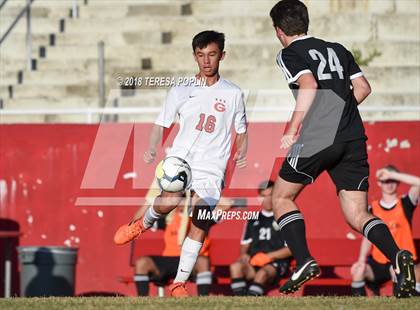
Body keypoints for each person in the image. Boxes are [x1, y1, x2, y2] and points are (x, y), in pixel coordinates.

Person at [268, 0, 416, 297]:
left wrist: (293, 128)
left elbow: (308, 87)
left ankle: (304, 261)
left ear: (279, 30)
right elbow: (363, 88)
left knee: (281, 197)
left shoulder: (288, 53)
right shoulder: (337, 48)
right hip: (353, 134)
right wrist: (341, 113)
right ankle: (398, 255)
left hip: (319, 131)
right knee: (357, 214)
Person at [114, 30, 248, 297]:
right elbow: (161, 122)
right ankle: (143, 223)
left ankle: (179, 283)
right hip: (181, 159)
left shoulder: (233, 93)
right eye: (201, 55)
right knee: (171, 200)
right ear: (194, 56)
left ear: (222, 55)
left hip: (212, 166)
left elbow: (241, 129)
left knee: (201, 218)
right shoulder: (181, 89)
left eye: (212, 55)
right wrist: (153, 146)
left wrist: (242, 151)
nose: (206, 61)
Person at [351, 165, 419, 296]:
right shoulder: (372, 209)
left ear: (397, 181)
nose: (389, 184)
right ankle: (359, 304)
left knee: (396, 271)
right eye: (385, 181)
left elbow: (418, 183)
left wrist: (392, 175)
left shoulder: (405, 203)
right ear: (379, 183)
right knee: (357, 270)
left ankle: (400, 300)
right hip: (379, 262)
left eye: (392, 181)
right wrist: (361, 259)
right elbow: (367, 238)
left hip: (401, 260)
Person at [133, 202, 212, 296]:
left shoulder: (201, 217)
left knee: (203, 261)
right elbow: (137, 222)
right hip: (169, 260)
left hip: (191, 261)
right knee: (142, 263)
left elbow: (225, 205)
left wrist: (208, 195)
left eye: (186, 199)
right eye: (182, 199)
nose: (184, 202)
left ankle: (203, 300)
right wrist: (150, 199)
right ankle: (142, 301)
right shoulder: (169, 219)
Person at [230, 181, 292, 296]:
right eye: (264, 196)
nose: (267, 199)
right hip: (254, 263)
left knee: (262, 274)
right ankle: (239, 302)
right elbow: (245, 245)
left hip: (276, 264)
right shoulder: (253, 219)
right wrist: (244, 255)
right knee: (235, 267)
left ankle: (252, 302)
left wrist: (268, 257)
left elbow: (291, 249)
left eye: (271, 195)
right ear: (259, 198)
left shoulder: (284, 217)